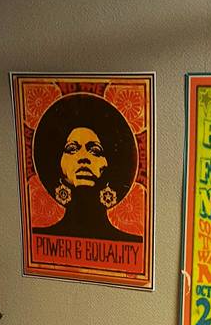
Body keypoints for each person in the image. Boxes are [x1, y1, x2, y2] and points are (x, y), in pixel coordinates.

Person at [32, 93, 142, 243]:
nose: (83, 157)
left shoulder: (130, 242)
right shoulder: (41, 237)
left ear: (108, 163)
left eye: (95, 150)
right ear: (58, 162)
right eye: (72, 149)